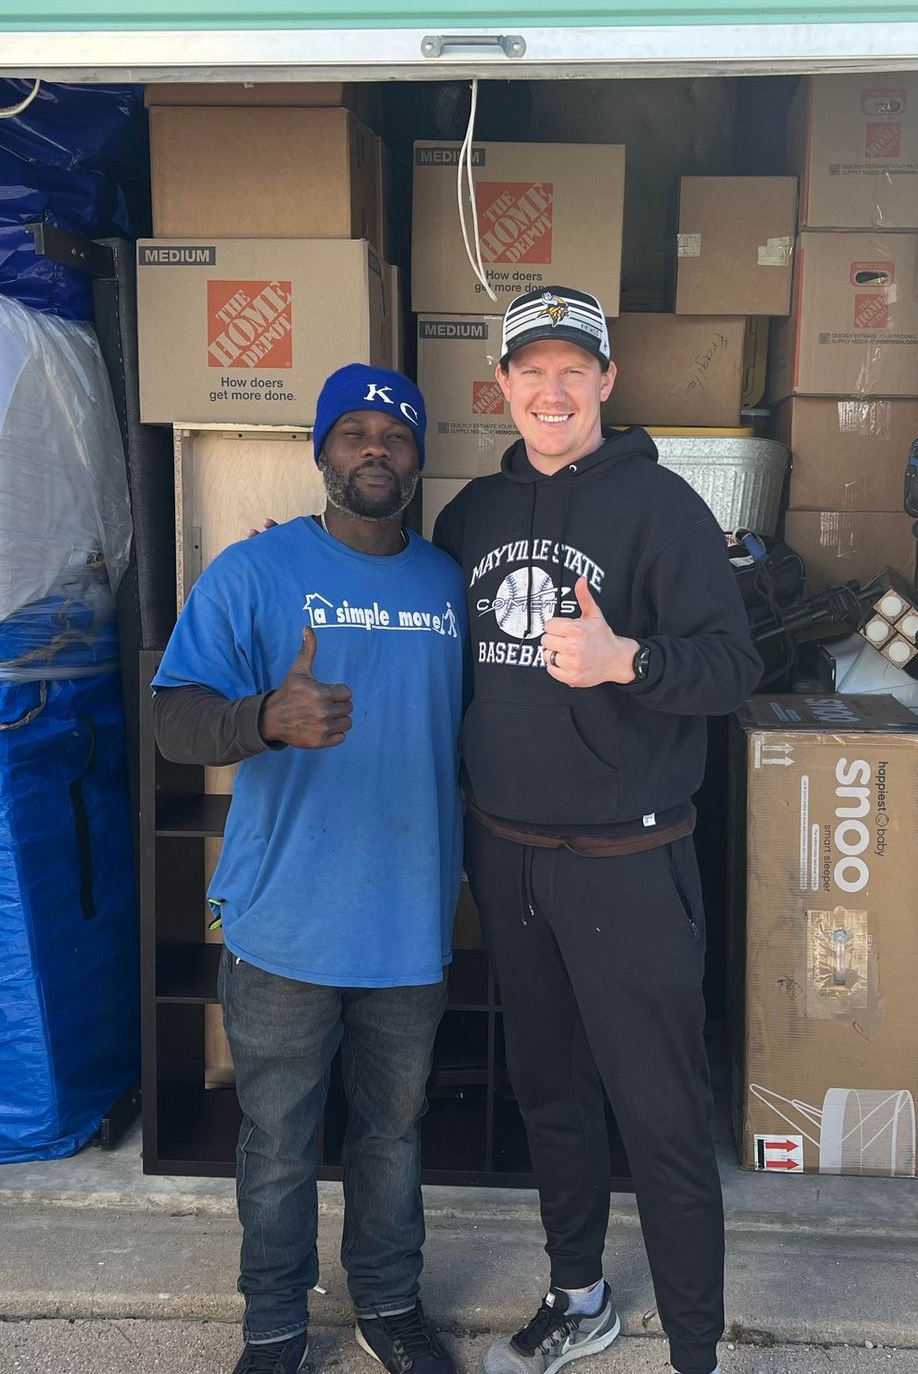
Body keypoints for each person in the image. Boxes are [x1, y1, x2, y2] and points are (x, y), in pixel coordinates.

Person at [430, 287, 763, 1374]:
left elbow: (734, 669)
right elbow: (426, 646)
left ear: (608, 382)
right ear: (502, 386)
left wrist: (630, 660)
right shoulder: (470, 517)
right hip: (509, 857)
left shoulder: (662, 509)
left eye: (574, 369)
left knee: (662, 1116)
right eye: (532, 370)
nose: (553, 390)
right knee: (551, 1097)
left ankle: (697, 1353)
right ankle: (579, 1298)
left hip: (629, 862)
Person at [153, 364, 465, 1374]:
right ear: (321, 451)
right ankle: (275, 1326)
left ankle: (389, 1304)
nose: (376, 448)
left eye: (397, 435)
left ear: (417, 460)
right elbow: (172, 721)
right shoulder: (253, 573)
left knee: (393, 1134)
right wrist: (262, 719)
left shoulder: (449, 585)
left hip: (409, 921)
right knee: (279, 1142)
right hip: (283, 920)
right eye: (355, 432)